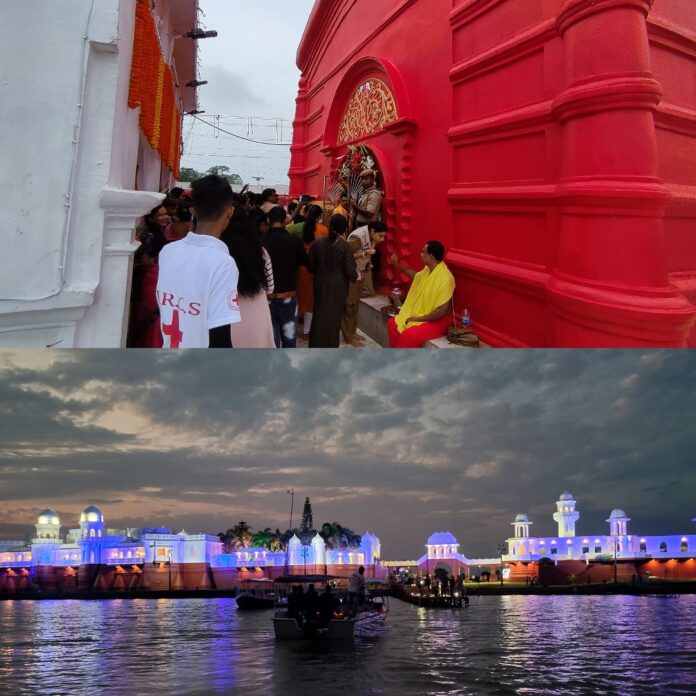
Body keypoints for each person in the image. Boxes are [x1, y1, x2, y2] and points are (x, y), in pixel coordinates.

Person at [156, 175, 240, 348]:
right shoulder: (223, 264)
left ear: (193, 211)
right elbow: (220, 337)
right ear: (230, 212)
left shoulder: (168, 251)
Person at [388, 241, 455, 348]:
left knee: (409, 334)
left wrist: (417, 319)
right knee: (392, 323)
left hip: (438, 321)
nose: (421, 254)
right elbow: (416, 277)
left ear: (430, 256)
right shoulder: (428, 270)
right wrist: (398, 266)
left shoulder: (446, 278)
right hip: (422, 315)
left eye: (423, 252)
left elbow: (442, 311)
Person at [224, 212, 275, 348]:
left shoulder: (219, 253)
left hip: (227, 316)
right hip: (257, 314)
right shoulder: (261, 252)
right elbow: (270, 288)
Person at [308, 214, 359, 348]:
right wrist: (356, 276)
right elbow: (350, 271)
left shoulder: (317, 243)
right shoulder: (345, 247)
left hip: (320, 282)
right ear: (344, 229)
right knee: (334, 317)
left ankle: (315, 344)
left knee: (319, 313)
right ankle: (330, 346)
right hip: (338, 286)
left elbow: (311, 266)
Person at [262, 206, 308, 348]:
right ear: (285, 221)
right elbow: (305, 262)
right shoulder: (293, 240)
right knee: (289, 339)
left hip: (266, 298)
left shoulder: (261, 240)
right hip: (288, 296)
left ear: (269, 220)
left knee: (271, 339)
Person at [128, 203, 170, 347]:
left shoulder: (156, 232)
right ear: (151, 218)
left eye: (166, 213)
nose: (165, 217)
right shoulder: (152, 236)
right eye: (160, 215)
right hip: (146, 280)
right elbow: (147, 260)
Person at [342, 221, 388, 347]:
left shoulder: (371, 236)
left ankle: (351, 332)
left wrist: (368, 262)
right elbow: (346, 254)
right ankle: (348, 336)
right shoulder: (357, 237)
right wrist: (364, 254)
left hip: (361, 272)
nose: (382, 239)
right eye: (381, 236)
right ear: (373, 231)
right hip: (352, 274)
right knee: (350, 304)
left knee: (355, 303)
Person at [288, 205, 328, 336]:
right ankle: (306, 331)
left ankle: (292, 327)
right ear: (319, 217)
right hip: (316, 268)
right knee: (311, 300)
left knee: (299, 297)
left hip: (301, 268)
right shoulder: (324, 230)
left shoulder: (299, 227)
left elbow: (286, 231)